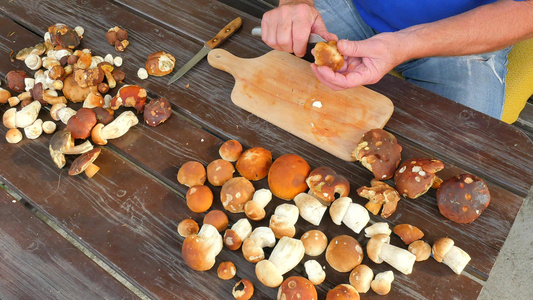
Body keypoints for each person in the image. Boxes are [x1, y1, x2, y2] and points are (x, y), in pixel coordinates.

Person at [260, 0, 533, 119]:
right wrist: (296, 2)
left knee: (460, 147)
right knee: (274, 88)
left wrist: (406, 44)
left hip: (463, 37)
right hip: (348, 5)